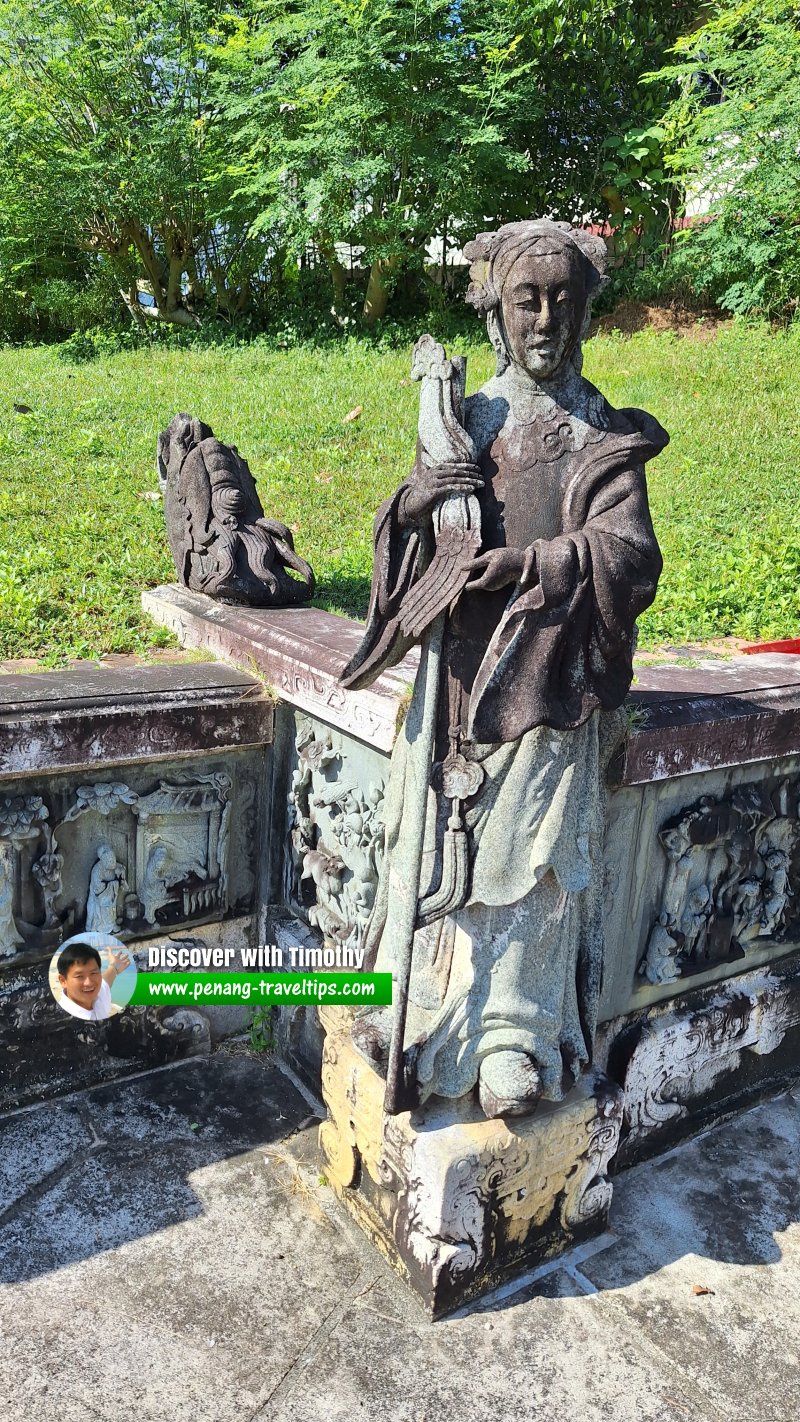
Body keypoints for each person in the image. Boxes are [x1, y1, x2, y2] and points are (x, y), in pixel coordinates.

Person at [341, 219, 668, 1119]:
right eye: (528, 299)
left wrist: (532, 566)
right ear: (496, 314)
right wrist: (418, 506)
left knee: (530, 861)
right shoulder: (465, 419)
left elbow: (628, 555)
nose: (546, 319)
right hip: (452, 679)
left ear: (586, 316)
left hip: (547, 680)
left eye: (564, 301)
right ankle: (410, 1015)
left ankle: (510, 1034)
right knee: (431, 845)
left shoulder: (596, 432)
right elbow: (413, 535)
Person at [56, 938, 132, 1021]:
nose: (89, 983)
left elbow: (105, 981)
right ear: (63, 981)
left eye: (93, 973)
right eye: (79, 976)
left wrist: (114, 967)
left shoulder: (98, 995)